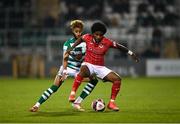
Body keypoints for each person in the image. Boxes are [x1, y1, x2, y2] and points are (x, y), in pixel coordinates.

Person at [66, 21, 139, 111]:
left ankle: (111, 103)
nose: (98, 37)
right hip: (88, 64)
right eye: (96, 34)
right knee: (83, 69)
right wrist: (72, 47)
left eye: (101, 35)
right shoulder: (87, 37)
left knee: (117, 79)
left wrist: (131, 53)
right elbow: (80, 39)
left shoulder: (107, 42)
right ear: (93, 33)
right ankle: (73, 93)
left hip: (100, 67)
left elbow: (119, 46)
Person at [29, 20, 98, 112]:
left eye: (80, 31)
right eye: (76, 31)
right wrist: (65, 71)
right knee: (55, 87)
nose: (78, 33)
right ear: (72, 31)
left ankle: (77, 102)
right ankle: (36, 105)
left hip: (80, 69)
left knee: (94, 80)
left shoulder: (86, 43)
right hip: (68, 67)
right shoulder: (67, 44)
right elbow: (65, 59)